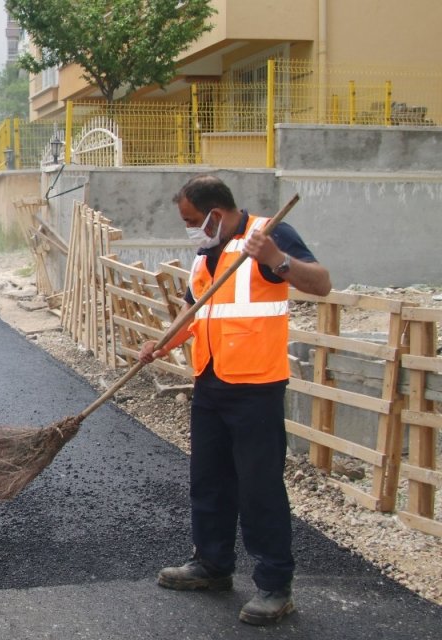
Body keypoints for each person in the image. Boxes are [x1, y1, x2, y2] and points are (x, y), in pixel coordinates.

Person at [139, 175, 331, 627]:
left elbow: (321, 283)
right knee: (209, 479)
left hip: (256, 388)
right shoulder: (208, 251)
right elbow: (196, 307)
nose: (189, 228)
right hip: (210, 382)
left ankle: (275, 586)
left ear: (215, 214)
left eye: (191, 220)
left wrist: (277, 260)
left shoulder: (269, 234)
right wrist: (163, 342)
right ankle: (212, 564)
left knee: (259, 487)